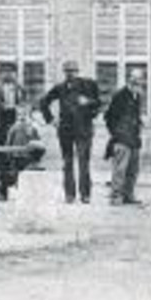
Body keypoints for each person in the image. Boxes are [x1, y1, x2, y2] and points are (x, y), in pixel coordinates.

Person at [38, 60, 103, 204]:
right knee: (67, 163)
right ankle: (69, 194)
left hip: (84, 130)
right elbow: (43, 102)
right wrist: (51, 120)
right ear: (64, 73)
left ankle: (85, 194)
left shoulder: (88, 85)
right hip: (65, 130)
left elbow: (99, 103)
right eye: (68, 72)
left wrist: (88, 102)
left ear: (78, 72)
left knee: (83, 162)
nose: (71, 74)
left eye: (73, 71)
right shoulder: (60, 88)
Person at [105, 67, 147, 206]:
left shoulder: (138, 96)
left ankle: (129, 195)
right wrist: (116, 134)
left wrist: (140, 123)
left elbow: (135, 116)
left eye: (140, 79)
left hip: (134, 138)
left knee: (133, 169)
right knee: (120, 169)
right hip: (122, 139)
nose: (138, 82)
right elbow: (109, 117)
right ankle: (116, 196)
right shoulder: (120, 95)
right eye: (135, 79)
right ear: (129, 79)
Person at [0, 112, 47, 193]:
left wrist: (8, 155)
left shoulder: (14, 128)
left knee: (13, 173)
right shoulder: (31, 128)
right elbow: (38, 142)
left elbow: (8, 142)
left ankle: (9, 190)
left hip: (17, 155)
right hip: (26, 157)